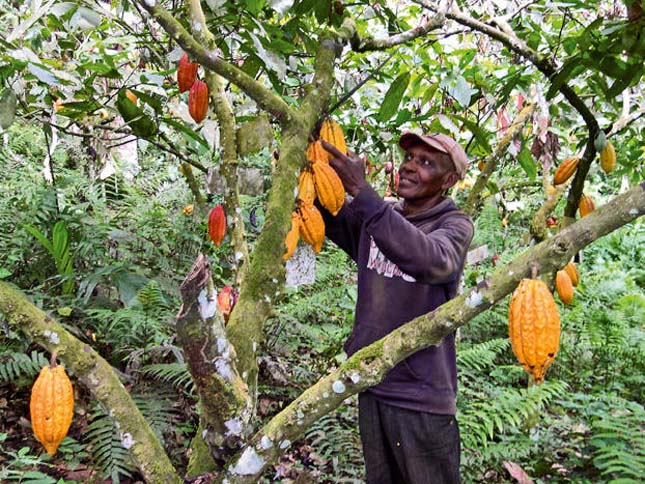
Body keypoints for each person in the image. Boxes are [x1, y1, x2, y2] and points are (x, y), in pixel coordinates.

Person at [319, 132, 474, 484]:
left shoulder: (454, 225)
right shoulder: (383, 215)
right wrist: (309, 166)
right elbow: (331, 216)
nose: (409, 167)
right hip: (373, 382)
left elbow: (431, 261)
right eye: (409, 158)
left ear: (448, 180)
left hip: (420, 395)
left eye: (425, 162)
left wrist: (363, 192)